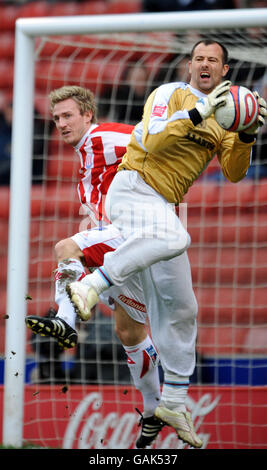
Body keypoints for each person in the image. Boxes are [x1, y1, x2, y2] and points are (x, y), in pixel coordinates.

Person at [67, 40, 267, 446]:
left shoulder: (223, 120)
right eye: (199, 59)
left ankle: (173, 400)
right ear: (191, 65)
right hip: (134, 188)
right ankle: (89, 285)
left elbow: (233, 173)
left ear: (225, 71)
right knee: (177, 236)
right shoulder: (169, 93)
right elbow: (154, 139)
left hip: (163, 206)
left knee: (183, 307)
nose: (204, 64)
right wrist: (199, 111)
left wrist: (245, 135)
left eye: (213, 60)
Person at [25, 85, 164, 449]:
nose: (61, 123)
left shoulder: (102, 136)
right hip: (120, 249)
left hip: (130, 235)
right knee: (130, 334)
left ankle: (66, 322)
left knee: (65, 247)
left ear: (88, 115)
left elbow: (145, 136)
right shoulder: (87, 157)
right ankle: (153, 410)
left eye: (68, 115)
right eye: (56, 118)